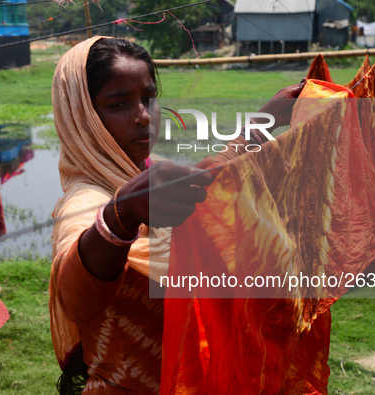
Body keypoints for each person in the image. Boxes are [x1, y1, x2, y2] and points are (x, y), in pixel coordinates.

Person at [49, 36, 305, 394]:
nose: (142, 116)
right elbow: (75, 297)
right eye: (119, 103)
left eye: (149, 99)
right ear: (82, 115)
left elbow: (211, 180)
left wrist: (261, 124)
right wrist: (121, 214)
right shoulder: (88, 198)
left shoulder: (149, 173)